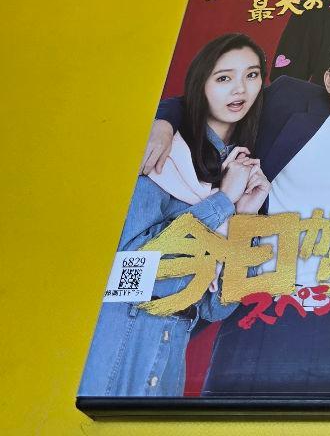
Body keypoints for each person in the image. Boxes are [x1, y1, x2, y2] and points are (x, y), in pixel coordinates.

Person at [148, 19, 330, 395]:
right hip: (262, 313)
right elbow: (206, 103)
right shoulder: (287, 102)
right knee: (232, 419)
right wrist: (163, 122)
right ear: (329, 79)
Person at [79, 34, 269, 398]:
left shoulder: (235, 170)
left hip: (170, 357)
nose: (240, 89)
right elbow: (127, 274)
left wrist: (244, 219)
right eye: (224, 77)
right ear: (201, 84)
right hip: (124, 343)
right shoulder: (161, 157)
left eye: (252, 75)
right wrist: (224, 201)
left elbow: (216, 308)